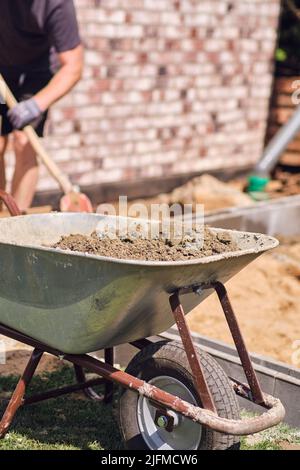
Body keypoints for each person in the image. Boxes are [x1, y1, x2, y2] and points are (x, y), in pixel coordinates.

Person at [0, 0, 83, 210]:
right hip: (3, 68)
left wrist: (36, 105)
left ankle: (15, 225)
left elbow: (74, 66)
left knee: (24, 141)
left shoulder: (57, 5)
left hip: (36, 72)